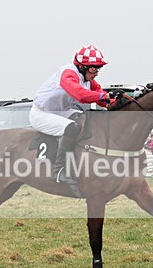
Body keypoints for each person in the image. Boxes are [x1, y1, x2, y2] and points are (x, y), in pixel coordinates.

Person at [30, 45, 112, 185]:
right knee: (72, 128)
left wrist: (118, 101)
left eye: (99, 69)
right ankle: (59, 171)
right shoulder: (68, 73)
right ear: (81, 67)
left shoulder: (88, 80)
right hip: (41, 113)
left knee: (89, 120)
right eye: (94, 68)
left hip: (60, 112)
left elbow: (104, 98)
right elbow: (80, 95)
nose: (96, 73)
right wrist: (102, 96)